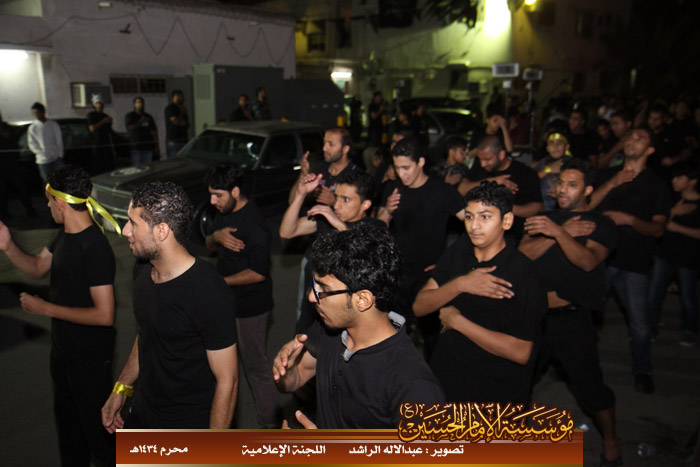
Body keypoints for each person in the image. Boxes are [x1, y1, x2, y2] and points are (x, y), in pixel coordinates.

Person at [272, 224, 445, 428]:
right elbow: (295, 379)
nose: (311, 296)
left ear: (362, 300)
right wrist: (286, 372)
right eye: (314, 285)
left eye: (323, 289)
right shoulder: (329, 329)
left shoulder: (414, 386)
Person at [0, 165, 117, 466]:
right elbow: (38, 268)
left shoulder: (94, 246)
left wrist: (45, 308)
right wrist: (8, 246)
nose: (47, 205)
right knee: (70, 436)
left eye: (49, 200)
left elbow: (104, 314)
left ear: (61, 202)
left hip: (89, 360)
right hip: (64, 353)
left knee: (102, 441)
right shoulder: (63, 236)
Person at [101, 181, 238, 430]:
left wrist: (214, 448)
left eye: (133, 223)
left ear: (161, 230)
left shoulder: (209, 292)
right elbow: (147, 333)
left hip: (188, 427)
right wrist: (122, 387)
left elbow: (228, 382)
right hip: (143, 413)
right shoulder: (142, 269)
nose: (125, 231)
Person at [519, 159, 621, 466]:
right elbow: (521, 256)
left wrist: (557, 234)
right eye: (561, 182)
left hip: (571, 320)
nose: (562, 189)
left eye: (572, 184)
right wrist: (559, 229)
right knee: (517, 382)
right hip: (533, 318)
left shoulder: (600, 223)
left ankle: (611, 444)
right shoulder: (543, 218)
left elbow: (588, 261)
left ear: (588, 190)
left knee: (591, 389)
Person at [413, 181, 547, 405]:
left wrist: (458, 322)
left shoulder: (524, 273)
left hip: (494, 395)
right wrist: (460, 284)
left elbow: (521, 352)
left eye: (485, 217)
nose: (474, 225)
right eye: (469, 216)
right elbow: (419, 306)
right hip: (447, 383)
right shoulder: (460, 250)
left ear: (506, 221)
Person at [589, 127, 670, 394]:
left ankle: (642, 369)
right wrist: (612, 183)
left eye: (640, 138)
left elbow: (658, 229)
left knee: (640, 325)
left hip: (634, 262)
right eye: (630, 137)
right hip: (600, 257)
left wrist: (629, 220)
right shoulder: (608, 175)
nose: (631, 141)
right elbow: (586, 207)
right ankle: (580, 365)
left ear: (650, 149)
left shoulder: (656, 184)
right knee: (584, 314)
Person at [204, 165, 282, 428]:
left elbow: (258, 273)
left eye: (218, 195)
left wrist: (219, 282)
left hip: (252, 306)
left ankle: (271, 425)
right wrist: (216, 236)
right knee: (218, 362)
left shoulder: (254, 224)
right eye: (211, 194)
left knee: (255, 367)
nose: (212, 201)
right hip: (226, 303)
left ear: (235, 192)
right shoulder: (224, 212)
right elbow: (209, 245)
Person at [377, 137, 465, 356]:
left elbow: (473, 227)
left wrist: (449, 263)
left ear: (421, 162)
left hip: (429, 276)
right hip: (399, 275)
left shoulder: (443, 192)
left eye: (406, 168)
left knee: (434, 338)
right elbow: (378, 227)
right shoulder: (393, 188)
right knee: (393, 335)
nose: (401, 174)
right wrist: (387, 210)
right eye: (397, 168)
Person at [281, 169, 385, 332]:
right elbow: (287, 232)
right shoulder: (325, 221)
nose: (337, 205)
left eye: (346, 199)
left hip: (345, 320)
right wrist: (300, 195)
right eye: (336, 197)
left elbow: (367, 260)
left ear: (365, 204)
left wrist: (338, 225)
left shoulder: (376, 228)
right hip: (313, 310)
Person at [647, 161, 700, 347]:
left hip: (689, 258)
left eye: (679, 177)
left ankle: (689, 330)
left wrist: (677, 227)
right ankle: (650, 329)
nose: (674, 181)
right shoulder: (671, 198)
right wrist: (673, 212)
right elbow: (656, 218)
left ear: (692, 181)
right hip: (665, 254)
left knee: (688, 298)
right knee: (653, 294)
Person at [468, 136, 544, 242]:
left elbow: (538, 208)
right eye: (480, 159)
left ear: (501, 155)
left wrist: (500, 207)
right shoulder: (481, 169)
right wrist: (493, 180)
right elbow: (461, 188)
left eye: (487, 159)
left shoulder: (525, 173)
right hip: (479, 232)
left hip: (513, 236)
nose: (483, 164)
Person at [289, 127, 357, 206]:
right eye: (324, 143)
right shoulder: (319, 167)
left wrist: (334, 202)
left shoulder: (355, 176)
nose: (324, 148)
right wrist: (303, 175)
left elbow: (358, 210)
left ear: (345, 149)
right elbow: (292, 202)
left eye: (331, 144)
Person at [0, 112, 36, 219]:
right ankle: (4, 213)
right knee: (2, 192)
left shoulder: (7, 127)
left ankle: (30, 211)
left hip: (12, 164)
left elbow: (16, 138)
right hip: (1, 166)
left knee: (22, 188)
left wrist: (7, 135)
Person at [534, 131, 573, 210]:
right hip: (543, 209)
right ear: (547, 148)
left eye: (559, 143)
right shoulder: (542, 164)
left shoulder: (574, 165)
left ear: (567, 147)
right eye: (552, 143)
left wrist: (561, 192)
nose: (555, 146)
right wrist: (548, 170)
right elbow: (528, 182)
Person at [28, 102, 64, 181]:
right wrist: (41, 152)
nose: (36, 115)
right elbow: (32, 144)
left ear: (43, 112)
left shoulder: (53, 125)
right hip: (42, 160)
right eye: (34, 113)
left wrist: (60, 154)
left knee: (59, 180)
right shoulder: (33, 128)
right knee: (47, 181)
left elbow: (59, 140)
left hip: (56, 158)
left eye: (37, 112)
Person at [125, 96, 159, 165]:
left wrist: (156, 146)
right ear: (134, 105)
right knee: (137, 168)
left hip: (148, 148)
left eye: (142, 102)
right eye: (138, 102)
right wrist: (140, 122)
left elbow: (154, 132)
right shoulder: (130, 116)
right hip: (136, 148)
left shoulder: (148, 116)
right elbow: (130, 127)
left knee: (147, 167)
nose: (141, 104)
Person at [87, 94, 115, 175]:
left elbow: (109, 133)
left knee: (108, 167)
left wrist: (112, 148)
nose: (99, 105)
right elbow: (92, 128)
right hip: (97, 145)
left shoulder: (106, 116)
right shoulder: (91, 115)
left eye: (100, 103)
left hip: (106, 145)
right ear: (94, 105)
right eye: (97, 103)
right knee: (98, 167)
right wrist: (103, 121)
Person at [164, 90, 190, 159]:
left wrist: (182, 122)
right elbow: (175, 122)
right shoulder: (170, 108)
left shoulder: (182, 108)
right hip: (174, 141)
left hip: (184, 140)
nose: (183, 98)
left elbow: (186, 124)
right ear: (176, 96)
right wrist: (181, 113)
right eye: (181, 96)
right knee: (174, 160)